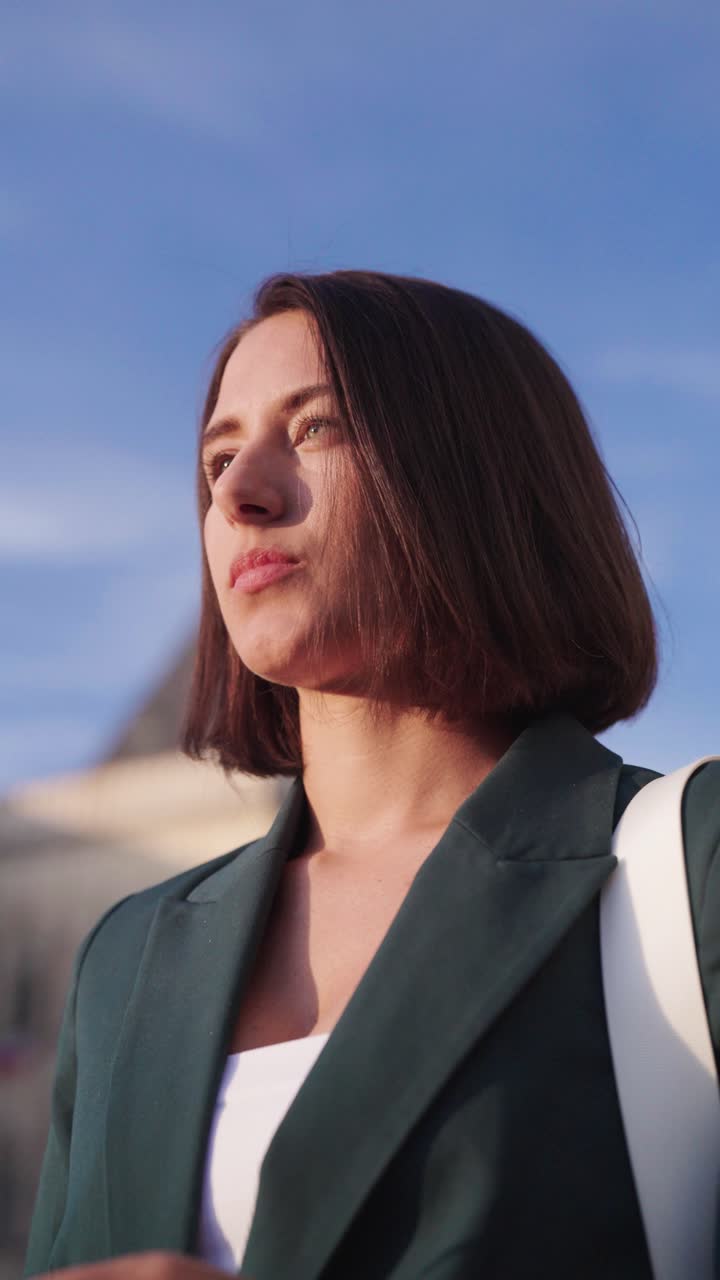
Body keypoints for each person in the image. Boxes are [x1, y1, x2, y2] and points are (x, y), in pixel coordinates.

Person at [24, 271, 720, 1280]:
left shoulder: (688, 868)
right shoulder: (124, 960)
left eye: (313, 429)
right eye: (217, 456)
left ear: (476, 476)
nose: (235, 491)